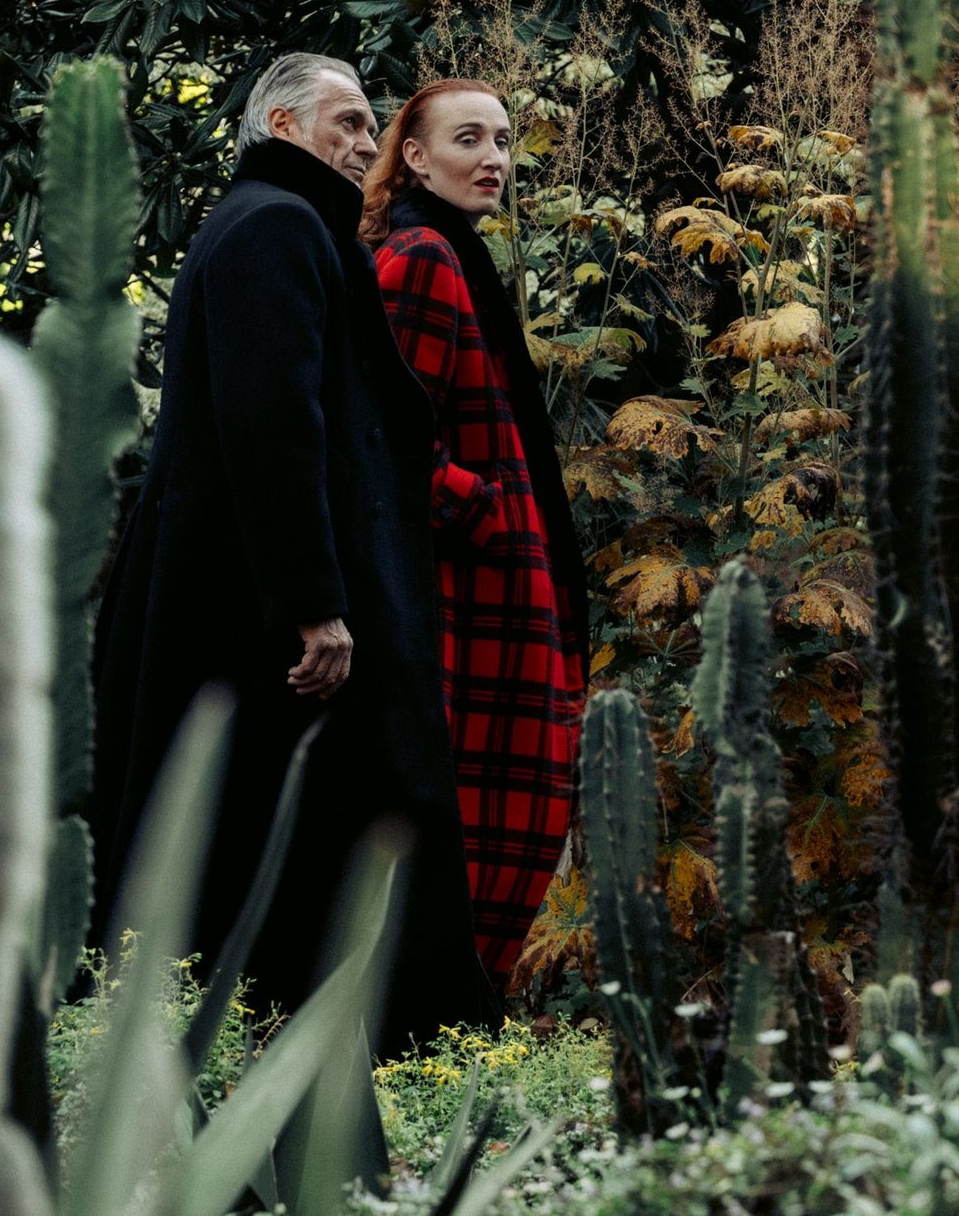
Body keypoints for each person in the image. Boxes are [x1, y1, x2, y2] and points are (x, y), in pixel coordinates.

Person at [91, 52, 495, 1053]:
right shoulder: (274, 226)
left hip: (244, 589)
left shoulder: (282, 225)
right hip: (258, 604)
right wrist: (314, 603)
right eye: (346, 122)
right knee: (290, 814)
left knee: (274, 815)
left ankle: (305, 1032)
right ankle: (344, 1038)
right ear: (279, 126)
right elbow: (274, 426)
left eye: (368, 127)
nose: (365, 143)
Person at [361, 79, 587, 992]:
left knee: (508, 824)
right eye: (469, 139)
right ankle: (440, 1023)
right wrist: (486, 512)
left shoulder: (451, 253)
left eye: (502, 140)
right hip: (468, 599)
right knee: (494, 824)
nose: (495, 157)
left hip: (493, 590)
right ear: (415, 156)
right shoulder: (419, 257)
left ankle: (454, 1020)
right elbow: (382, 437)